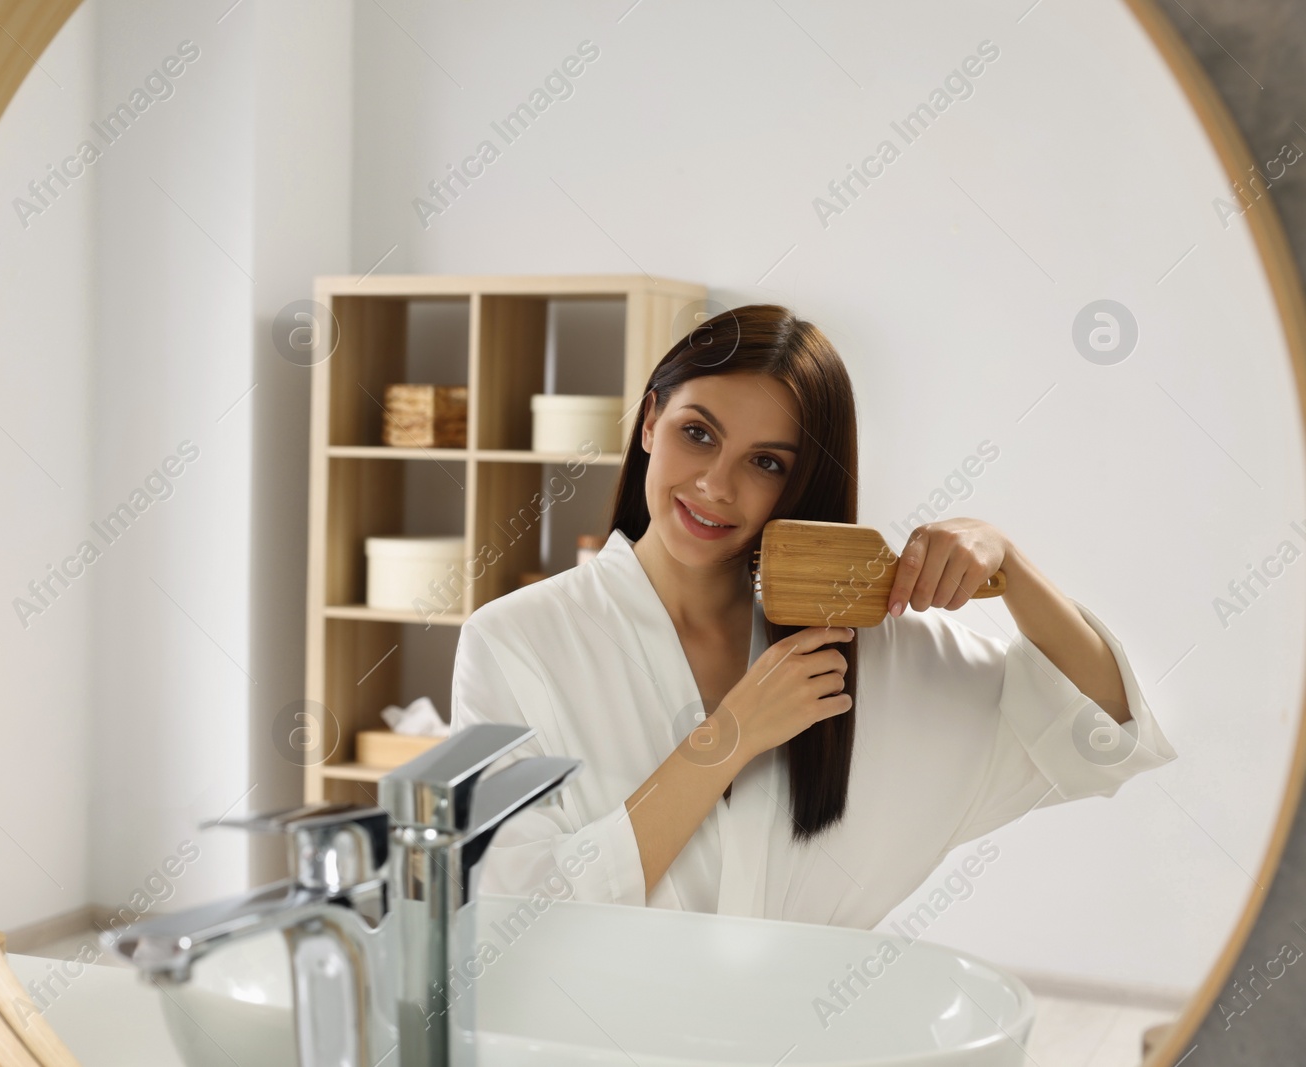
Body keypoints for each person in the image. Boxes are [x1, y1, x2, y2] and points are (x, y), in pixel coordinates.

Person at [449, 304, 1176, 924]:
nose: (714, 484)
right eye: (697, 433)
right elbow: (510, 908)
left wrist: (1011, 566)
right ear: (649, 422)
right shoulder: (515, 643)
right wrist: (728, 739)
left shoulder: (871, 645)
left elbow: (1103, 732)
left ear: (802, 484)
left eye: (767, 463)